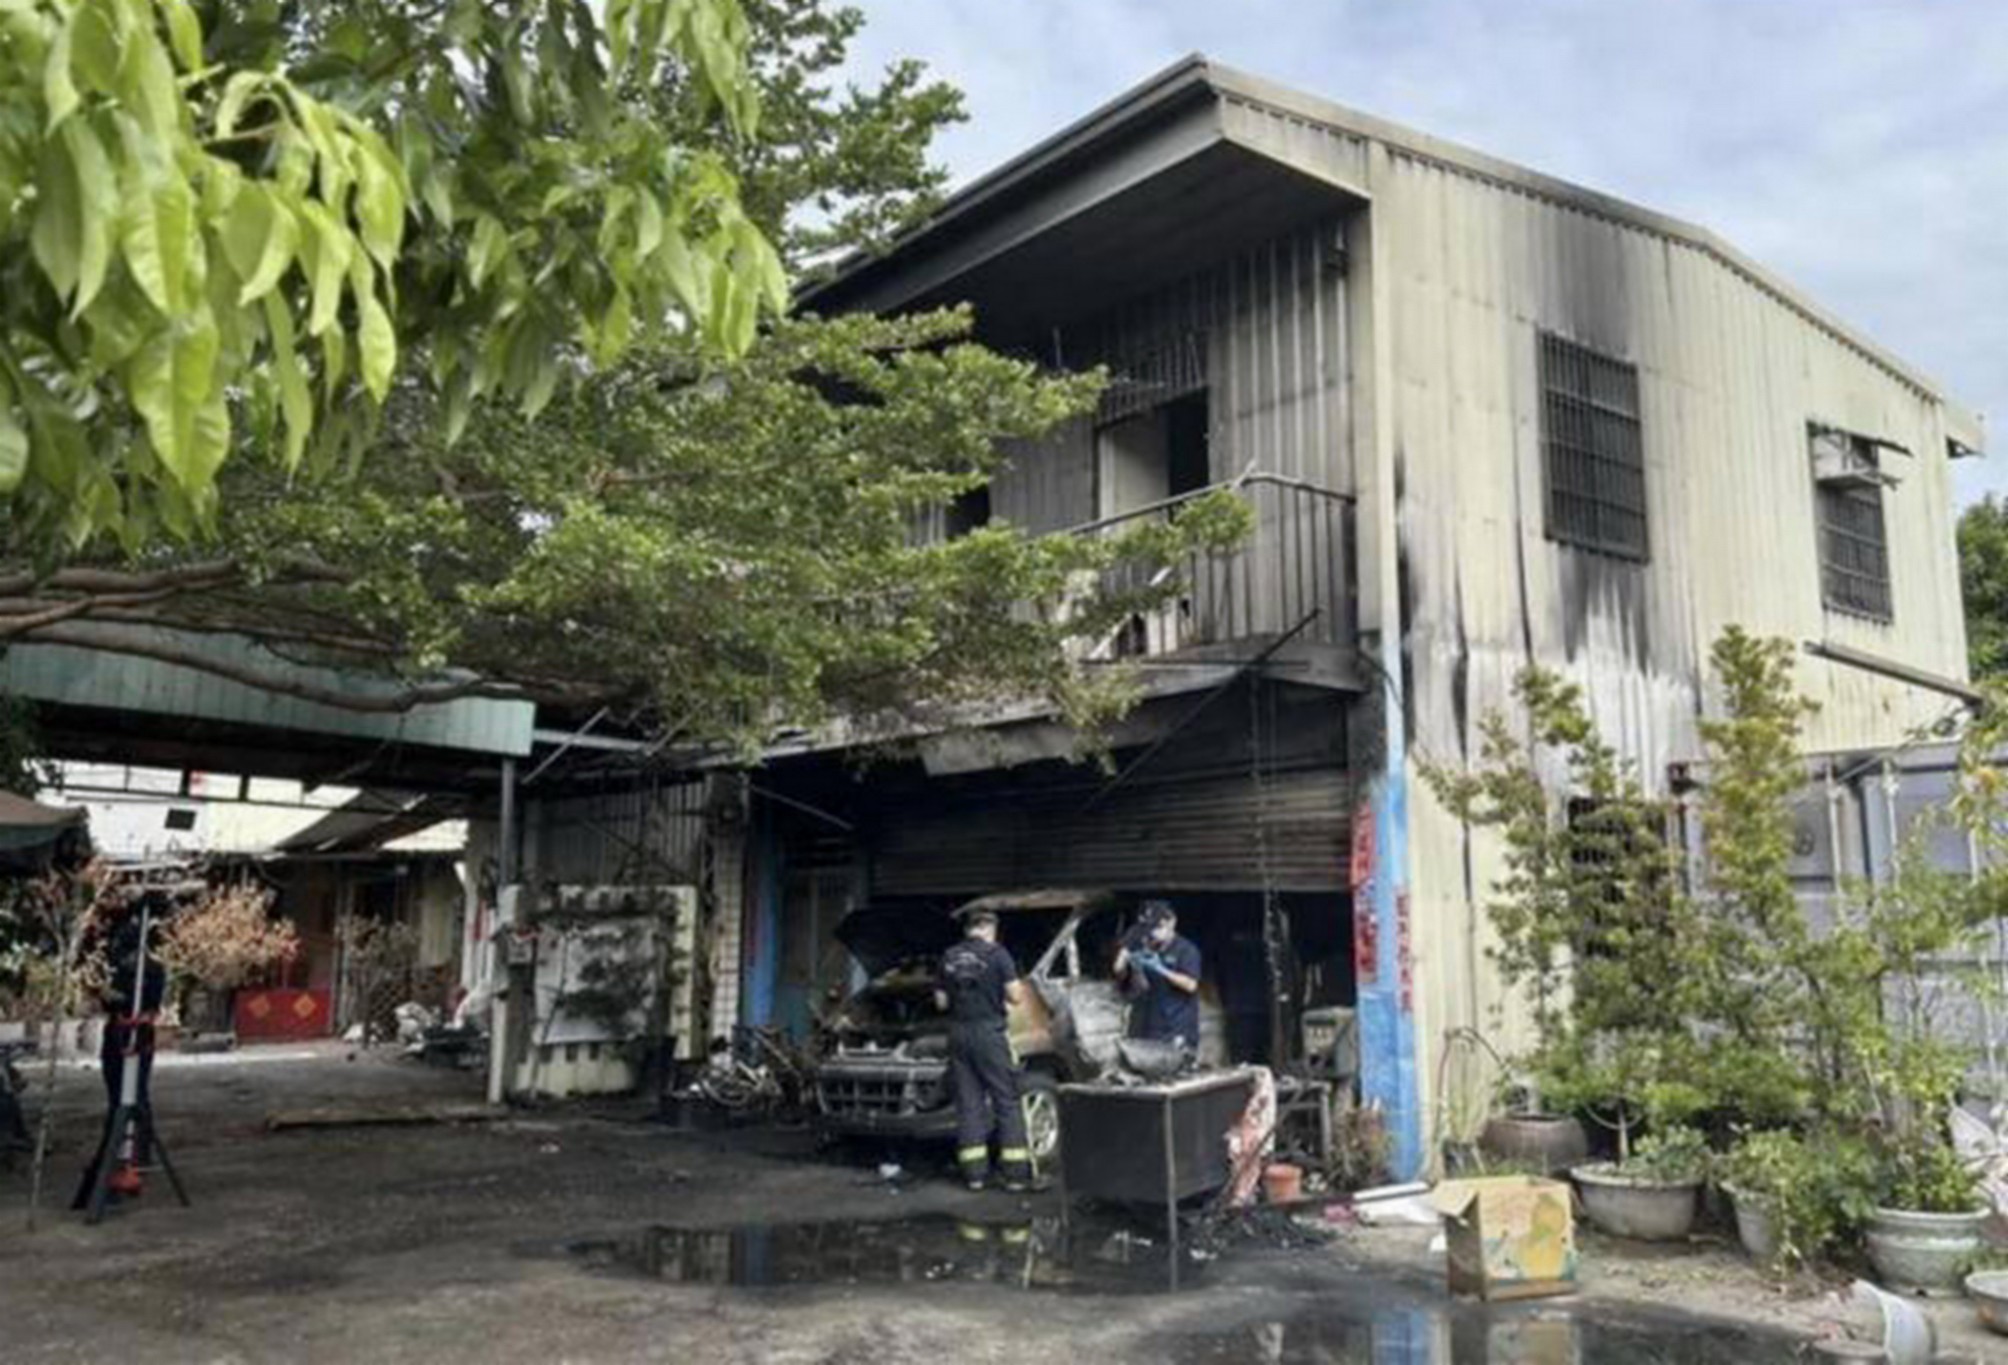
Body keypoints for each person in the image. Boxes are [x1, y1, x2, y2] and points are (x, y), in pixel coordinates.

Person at [936, 908, 1032, 1192]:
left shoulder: (948, 957)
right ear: (990, 928)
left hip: (958, 1034)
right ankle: (1015, 1176)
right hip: (989, 1034)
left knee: (969, 1105)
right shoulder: (998, 954)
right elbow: (1016, 996)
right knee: (1006, 1100)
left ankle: (975, 1176)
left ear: (967, 929)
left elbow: (941, 1002)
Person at [1115, 900, 1203, 1050]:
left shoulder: (1186, 950)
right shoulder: (1147, 947)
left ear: (1172, 922)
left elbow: (1191, 985)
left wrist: (1161, 969)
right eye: (1149, 928)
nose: (1153, 933)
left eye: (1158, 927)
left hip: (1176, 1030)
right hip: (1149, 1028)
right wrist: (1127, 951)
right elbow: (1121, 973)